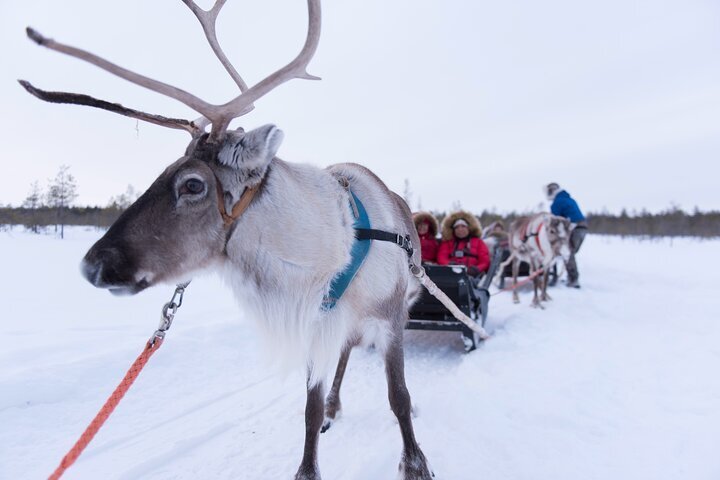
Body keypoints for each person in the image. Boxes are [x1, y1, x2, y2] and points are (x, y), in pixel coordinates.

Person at [545, 182, 588, 288]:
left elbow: (554, 220)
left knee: (568, 253)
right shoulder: (569, 199)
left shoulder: (557, 202)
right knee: (570, 252)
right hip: (582, 228)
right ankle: (571, 277)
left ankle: (574, 280)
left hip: (574, 228)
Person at [437, 210, 490, 278]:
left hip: (472, 277)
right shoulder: (447, 243)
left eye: (463, 226)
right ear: (453, 230)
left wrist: (477, 269)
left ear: (469, 228)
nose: (460, 229)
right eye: (457, 227)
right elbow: (441, 257)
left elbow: (485, 261)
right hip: (451, 275)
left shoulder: (479, 242)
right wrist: (449, 264)